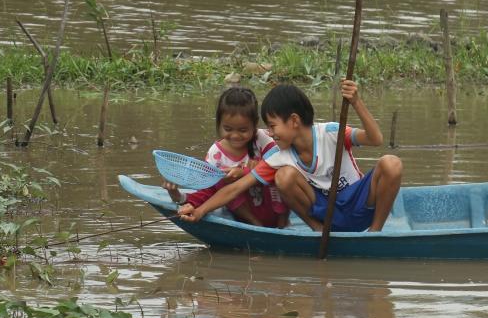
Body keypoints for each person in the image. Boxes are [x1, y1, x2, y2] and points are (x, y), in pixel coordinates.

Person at [179, 80, 402, 232]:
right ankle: (317, 229)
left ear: (294, 121)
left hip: (358, 206)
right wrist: (199, 211)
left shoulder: (332, 133)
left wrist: (356, 102)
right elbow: (235, 188)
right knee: (283, 177)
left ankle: (375, 231)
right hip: (329, 216)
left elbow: (376, 139)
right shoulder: (280, 156)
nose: (270, 133)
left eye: (273, 126)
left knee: (391, 163)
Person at [165, 86, 287, 228]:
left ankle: (282, 225)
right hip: (246, 215)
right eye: (228, 129)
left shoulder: (264, 140)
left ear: (254, 125)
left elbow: (281, 167)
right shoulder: (215, 155)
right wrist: (179, 196)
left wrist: (244, 172)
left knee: (280, 173)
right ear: (219, 124)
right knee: (221, 179)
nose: (235, 136)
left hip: (273, 208)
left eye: (243, 130)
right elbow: (207, 191)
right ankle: (256, 225)